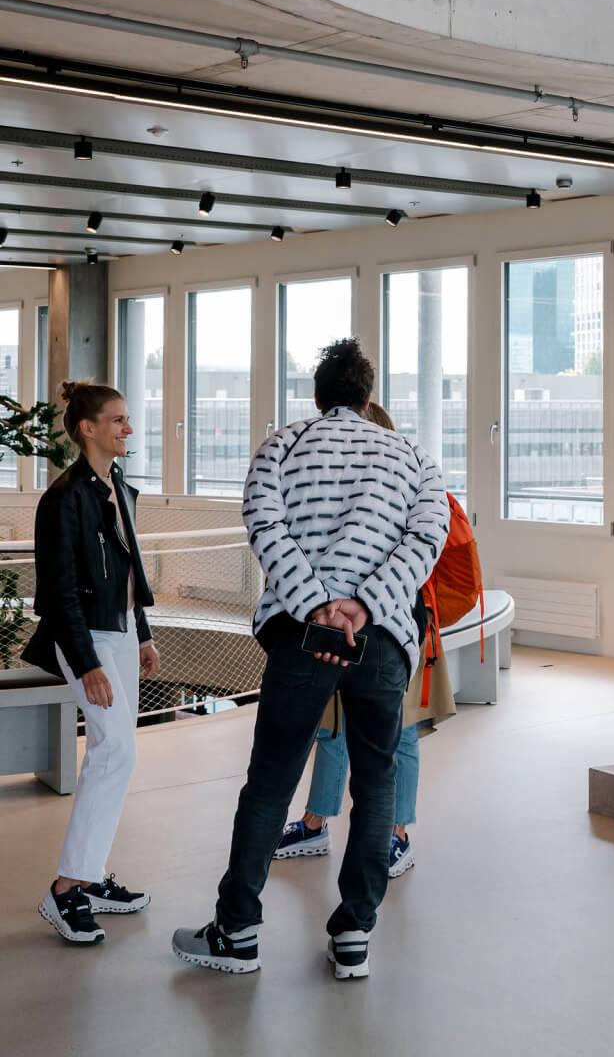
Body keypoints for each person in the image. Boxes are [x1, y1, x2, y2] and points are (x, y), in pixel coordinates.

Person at [172, 340, 449, 980]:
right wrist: (365, 607)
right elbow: (427, 536)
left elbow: (262, 522)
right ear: (367, 397)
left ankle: (237, 931)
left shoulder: (282, 446)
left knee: (271, 780)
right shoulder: (413, 456)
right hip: (382, 638)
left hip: (301, 635)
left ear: (318, 395)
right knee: (375, 783)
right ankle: (354, 934)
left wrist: (317, 606)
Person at [274, 402, 452, 879]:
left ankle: (397, 834)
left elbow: (425, 549)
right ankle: (315, 823)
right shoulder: (350, 485)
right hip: (344, 624)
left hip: (399, 627)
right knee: (333, 726)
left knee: (400, 730)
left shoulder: (407, 477)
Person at [23, 381, 159, 946]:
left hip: (120, 631)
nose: (129, 428)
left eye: (127, 419)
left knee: (116, 753)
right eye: (118, 420)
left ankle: (91, 875)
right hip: (85, 637)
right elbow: (57, 594)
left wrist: (143, 632)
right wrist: (86, 663)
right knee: (115, 750)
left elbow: (129, 568)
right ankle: (66, 890)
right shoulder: (64, 498)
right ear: (88, 428)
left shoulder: (119, 486)